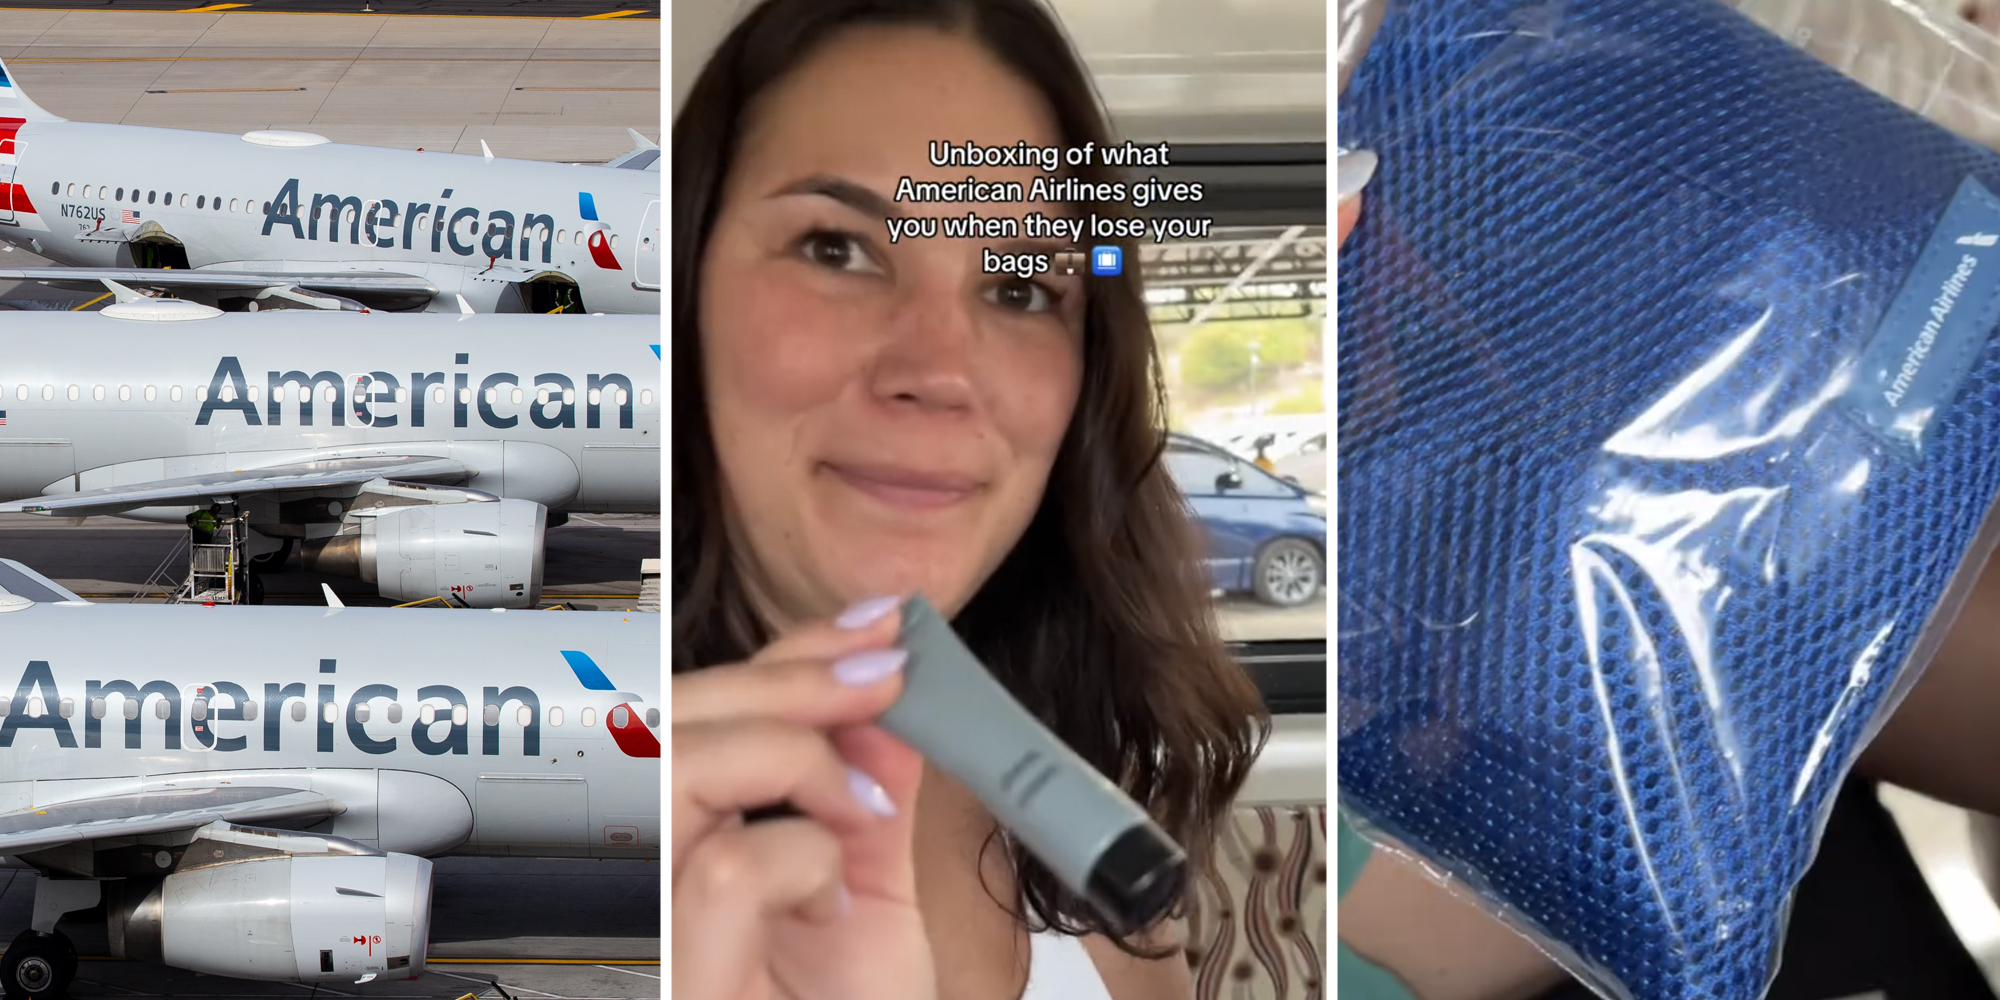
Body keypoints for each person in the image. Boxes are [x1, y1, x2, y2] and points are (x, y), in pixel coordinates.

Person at [669, 2, 1270, 998]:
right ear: (687, 284)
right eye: (836, 248)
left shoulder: (1093, 784)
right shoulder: (608, 803)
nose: (940, 370)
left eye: (1021, 287)